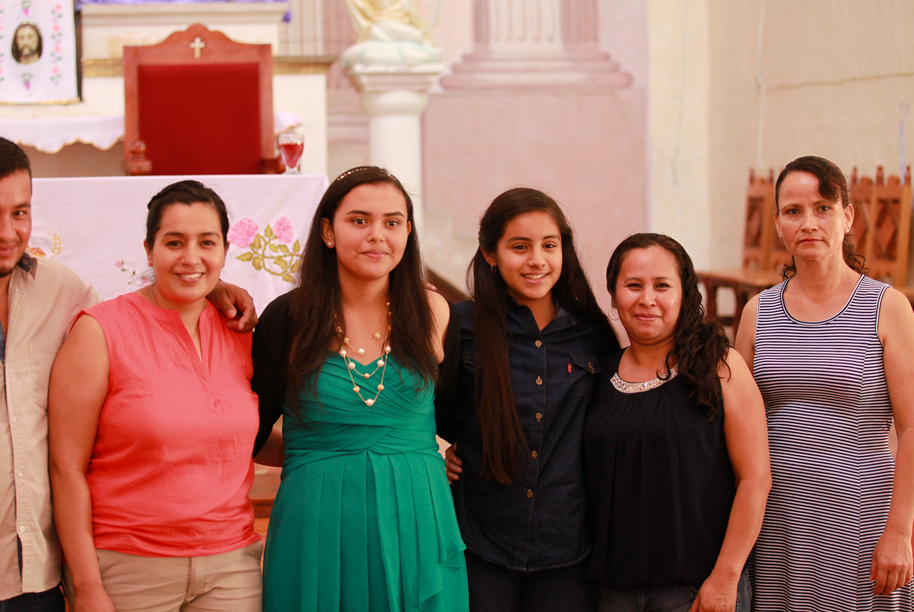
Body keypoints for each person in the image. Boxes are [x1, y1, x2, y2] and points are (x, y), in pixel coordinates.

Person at [0, 136, 255, 612]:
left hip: (35, 579)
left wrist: (208, 283)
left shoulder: (60, 289)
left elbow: (146, 326)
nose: (6, 230)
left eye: (20, 212)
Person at [49, 181, 281, 612]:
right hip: (128, 565)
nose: (191, 258)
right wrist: (86, 585)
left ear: (225, 251)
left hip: (232, 566)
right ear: (149, 248)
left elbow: (248, 440)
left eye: (206, 242)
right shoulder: (100, 331)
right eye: (174, 242)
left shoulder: (241, 332)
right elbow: (65, 468)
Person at [251, 166, 468, 611]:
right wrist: (317, 451)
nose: (377, 235)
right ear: (328, 231)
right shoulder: (286, 318)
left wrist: (442, 455)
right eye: (359, 220)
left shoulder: (435, 311)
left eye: (392, 222)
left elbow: (457, 416)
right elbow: (250, 433)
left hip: (417, 514)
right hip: (316, 517)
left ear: (407, 232)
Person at [736, 155, 914, 611]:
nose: (808, 223)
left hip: (865, 519)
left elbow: (912, 427)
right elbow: (740, 427)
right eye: (793, 211)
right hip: (781, 523)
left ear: (848, 215)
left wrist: (900, 530)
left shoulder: (886, 307)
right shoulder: (758, 313)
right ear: (777, 223)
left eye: (823, 208)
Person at [441, 187, 620, 612]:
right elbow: (422, 406)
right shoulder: (459, 326)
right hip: (480, 539)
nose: (537, 259)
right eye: (519, 247)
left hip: (568, 545)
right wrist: (440, 451)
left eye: (549, 245)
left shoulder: (592, 335)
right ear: (490, 254)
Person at [582, 233, 770, 612]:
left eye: (662, 286)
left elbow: (755, 479)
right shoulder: (597, 375)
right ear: (614, 296)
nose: (647, 299)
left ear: (684, 293)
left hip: (698, 593)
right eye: (633, 285)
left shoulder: (720, 366)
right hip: (613, 595)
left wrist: (726, 576)